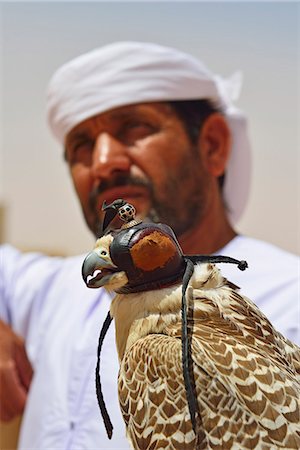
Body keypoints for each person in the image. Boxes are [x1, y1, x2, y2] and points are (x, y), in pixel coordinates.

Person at [0, 41, 299, 450]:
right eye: (81, 148)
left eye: (134, 129)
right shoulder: (50, 287)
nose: (104, 161)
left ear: (212, 145)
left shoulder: (290, 295)